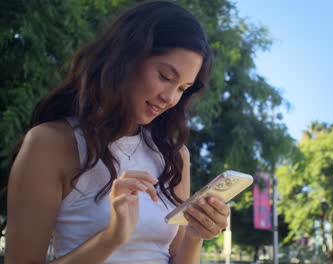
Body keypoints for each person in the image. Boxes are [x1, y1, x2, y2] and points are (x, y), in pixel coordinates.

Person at [4, 1, 230, 263]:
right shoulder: (51, 143)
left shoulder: (174, 156)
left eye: (182, 88)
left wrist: (194, 234)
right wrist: (112, 237)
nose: (170, 98)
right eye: (165, 76)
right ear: (126, 58)